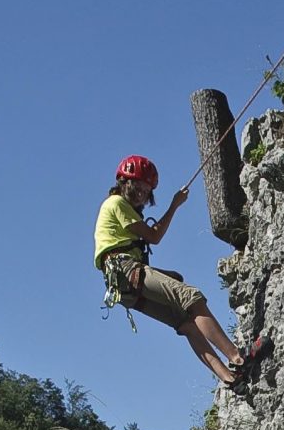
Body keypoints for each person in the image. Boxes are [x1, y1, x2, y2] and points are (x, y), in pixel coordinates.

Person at [93, 154, 271, 388]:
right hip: (126, 270)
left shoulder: (123, 210)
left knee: (186, 323)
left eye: (146, 191)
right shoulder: (116, 203)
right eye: (138, 187)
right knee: (190, 297)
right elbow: (154, 236)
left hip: (122, 287)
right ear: (124, 182)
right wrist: (175, 205)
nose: (142, 194)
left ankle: (230, 379)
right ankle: (238, 357)